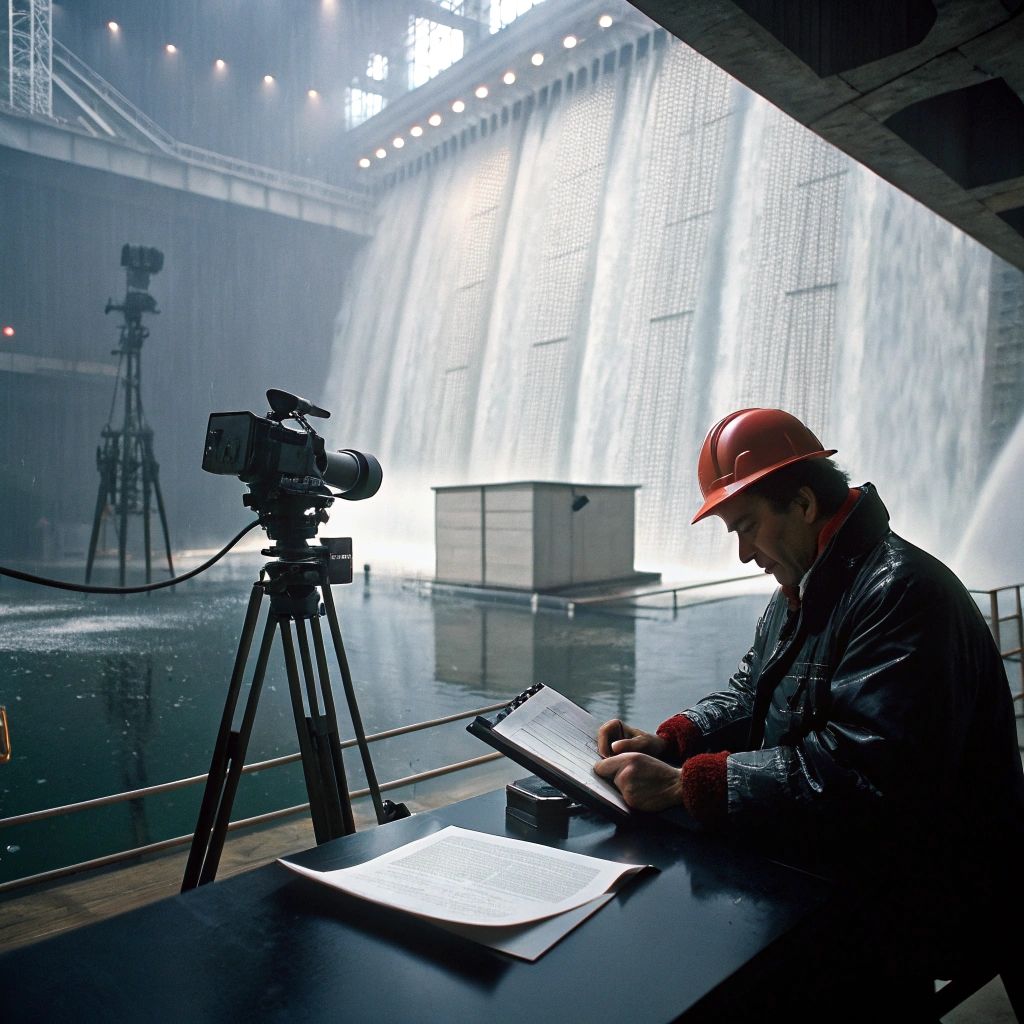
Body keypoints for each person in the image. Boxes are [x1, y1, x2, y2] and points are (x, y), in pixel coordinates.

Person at [594, 407, 1024, 997]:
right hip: (853, 869)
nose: (744, 553)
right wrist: (674, 739)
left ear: (801, 503)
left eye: (746, 526)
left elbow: (862, 775)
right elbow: (753, 693)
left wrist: (681, 784)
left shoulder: (902, 593)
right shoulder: (803, 584)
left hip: (931, 889)